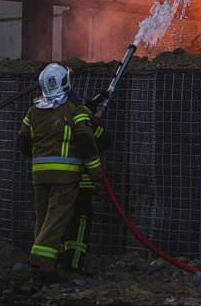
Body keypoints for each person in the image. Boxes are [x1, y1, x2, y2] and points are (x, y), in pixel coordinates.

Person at [17, 63, 102, 286]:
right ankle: (42, 265)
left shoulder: (33, 111)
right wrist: (95, 174)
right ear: (65, 82)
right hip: (65, 178)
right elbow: (86, 143)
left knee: (43, 221)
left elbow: (23, 143)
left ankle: (45, 264)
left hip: (39, 177)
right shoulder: (74, 109)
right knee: (56, 220)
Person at [58, 91, 111, 277]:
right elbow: (104, 141)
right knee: (80, 222)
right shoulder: (83, 122)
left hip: (59, 183)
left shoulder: (54, 119)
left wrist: (90, 109)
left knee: (59, 221)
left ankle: (57, 260)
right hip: (81, 183)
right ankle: (73, 265)